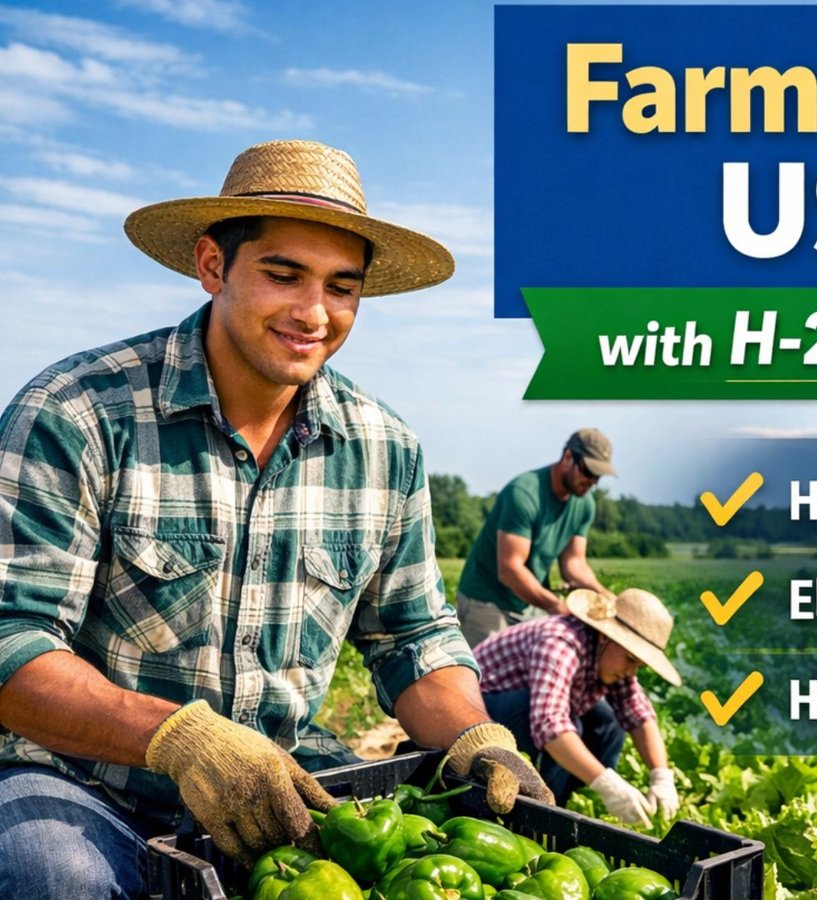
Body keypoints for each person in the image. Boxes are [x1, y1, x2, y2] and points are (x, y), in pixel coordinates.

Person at [0, 140, 553, 897]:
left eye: (341, 287)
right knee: (50, 873)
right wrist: (178, 739)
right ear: (212, 265)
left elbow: (412, 635)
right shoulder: (79, 412)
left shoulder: (384, 449)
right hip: (85, 786)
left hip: (281, 787)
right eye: (283, 274)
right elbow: (12, 641)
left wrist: (475, 736)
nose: (314, 312)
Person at [475, 588, 681, 823]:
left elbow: (638, 713)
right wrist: (608, 784)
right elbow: (549, 724)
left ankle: (577, 801)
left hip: (526, 709)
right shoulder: (561, 642)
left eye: (639, 665)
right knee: (568, 726)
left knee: (609, 721)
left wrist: (661, 776)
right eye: (631, 659)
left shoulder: (609, 655)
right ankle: (544, 810)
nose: (631, 672)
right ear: (606, 636)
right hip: (480, 713)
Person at [455, 429, 616, 647]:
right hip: (486, 601)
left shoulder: (585, 504)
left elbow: (574, 563)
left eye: (598, 476)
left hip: (529, 603)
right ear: (568, 456)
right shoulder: (524, 494)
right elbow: (510, 569)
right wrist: (555, 606)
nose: (593, 482)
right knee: (485, 676)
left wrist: (604, 595)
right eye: (589, 471)